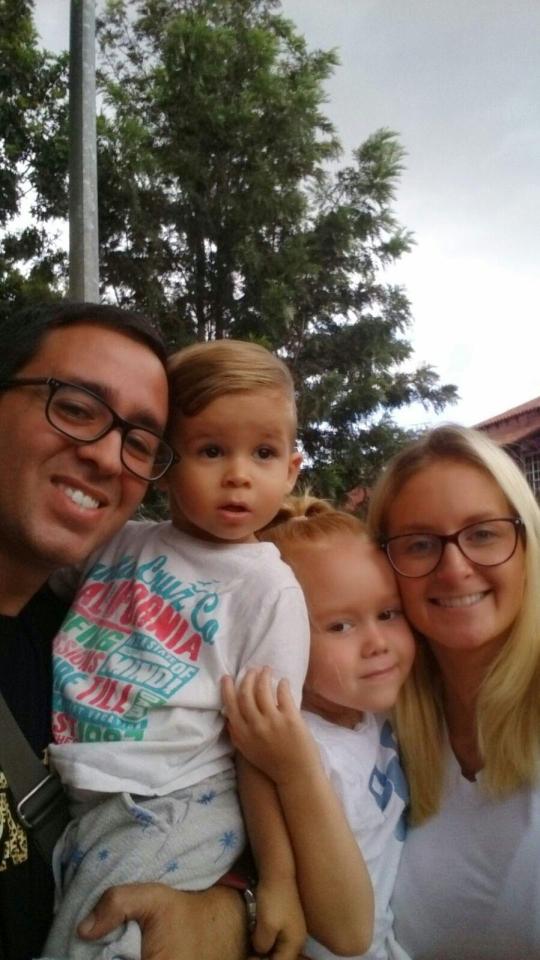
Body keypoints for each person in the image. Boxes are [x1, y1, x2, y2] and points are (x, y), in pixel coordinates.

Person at [43, 339, 312, 960]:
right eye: (212, 450)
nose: (239, 473)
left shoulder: (267, 589)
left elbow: (264, 749)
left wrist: (279, 880)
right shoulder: (119, 541)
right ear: (164, 462)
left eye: (263, 453)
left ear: (291, 470)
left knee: (90, 939)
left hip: (175, 799)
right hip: (89, 791)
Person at [0, 302, 248, 960]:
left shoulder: (88, 642)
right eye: (76, 406)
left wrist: (228, 910)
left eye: (139, 442)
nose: (110, 458)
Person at [367, 423, 540, 960]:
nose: (455, 567)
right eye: (419, 544)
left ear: (526, 542)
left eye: (483, 533)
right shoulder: (376, 730)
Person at [223, 495, 415, 960]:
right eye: (340, 626)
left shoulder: (371, 710)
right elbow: (347, 936)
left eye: (388, 614)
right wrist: (296, 772)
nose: (377, 644)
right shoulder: (289, 744)